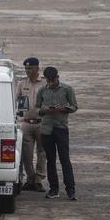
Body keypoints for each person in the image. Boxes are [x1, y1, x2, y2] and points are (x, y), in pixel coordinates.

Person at [35, 66, 77, 200]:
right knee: (50, 161)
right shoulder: (42, 91)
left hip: (61, 129)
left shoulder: (67, 89)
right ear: (46, 80)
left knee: (65, 160)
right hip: (46, 130)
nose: (51, 83)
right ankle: (54, 189)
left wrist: (64, 108)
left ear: (58, 78)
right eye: (49, 81)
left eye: (53, 81)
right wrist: (44, 110)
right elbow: (37, 108)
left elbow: (74, 106)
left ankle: (71, 190)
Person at [16, 56, 47, 191]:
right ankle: (30, 179)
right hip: (26, 123)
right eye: (26, 68)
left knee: (42, 153)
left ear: (37, 68)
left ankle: (39, 180)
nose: (27, 71)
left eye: (30, 68)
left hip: (42, 123)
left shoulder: (45, 83)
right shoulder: (22, 83)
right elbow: (15, 100)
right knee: (26, 154)